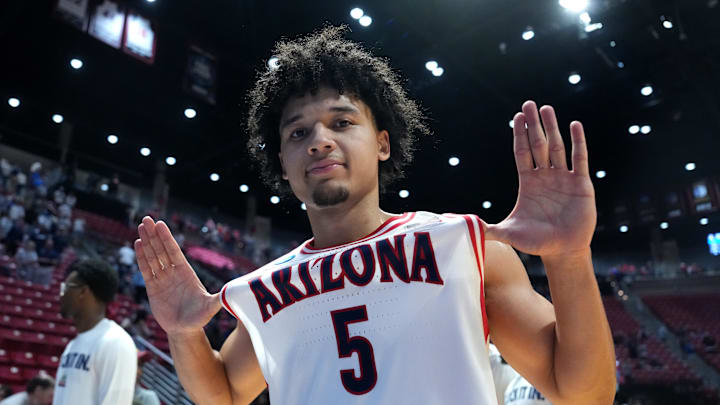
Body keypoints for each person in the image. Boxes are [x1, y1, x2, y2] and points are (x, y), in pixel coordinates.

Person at [134, 26, 615, 404]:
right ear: (283, 161)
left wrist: (569, 258)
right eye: (298, 133)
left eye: (342, 122)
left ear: (382, 142)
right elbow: (222, 394)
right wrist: (183, 333)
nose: (320, 140)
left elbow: (583, 393)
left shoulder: (465, 249)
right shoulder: (269, 287)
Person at [53, 259, 137, 405]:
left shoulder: (115, 342)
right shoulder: (72, 345)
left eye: (66, 288)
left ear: (83, 292)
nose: (61, 294)